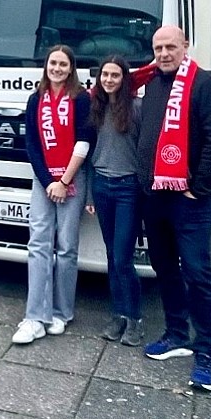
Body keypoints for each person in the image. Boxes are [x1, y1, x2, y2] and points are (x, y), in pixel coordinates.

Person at [137, 25, 211, 392]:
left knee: (197, 274)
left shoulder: (204, 85)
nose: (163, 53)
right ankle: (176, 333)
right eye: (158, 47)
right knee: (164, 268)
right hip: (155, 197)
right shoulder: (153, 84)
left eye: (170, 46)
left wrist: (199, 187)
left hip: (190, 201)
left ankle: (206, 351)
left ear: (185, 46)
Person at [12, 45, 93, 344]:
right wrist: (49, 182)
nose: (56, 68)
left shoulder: (81, 99)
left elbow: (85, 141)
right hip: (43, 180)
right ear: (46, 66)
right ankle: (35, 316)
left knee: (67, 246)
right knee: (38, 245)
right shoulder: (36, 99)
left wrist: (65, 180)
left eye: (62, 64)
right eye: (52, 63)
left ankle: (62, 312)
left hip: (74, 177)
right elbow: (32, 145)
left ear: (71, 68)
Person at [86, 55, 144, 346]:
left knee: (123, 257)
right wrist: (88, 195)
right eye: (105, 75)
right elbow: (85, 153)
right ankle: (119, 314)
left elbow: (146, 150)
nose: (109, 80)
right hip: (102, 186)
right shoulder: (95, 108)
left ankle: (135, 319)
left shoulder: (136, 108)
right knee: (111, 255)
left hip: (128, 189)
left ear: (124, 79)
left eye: (115, 75)